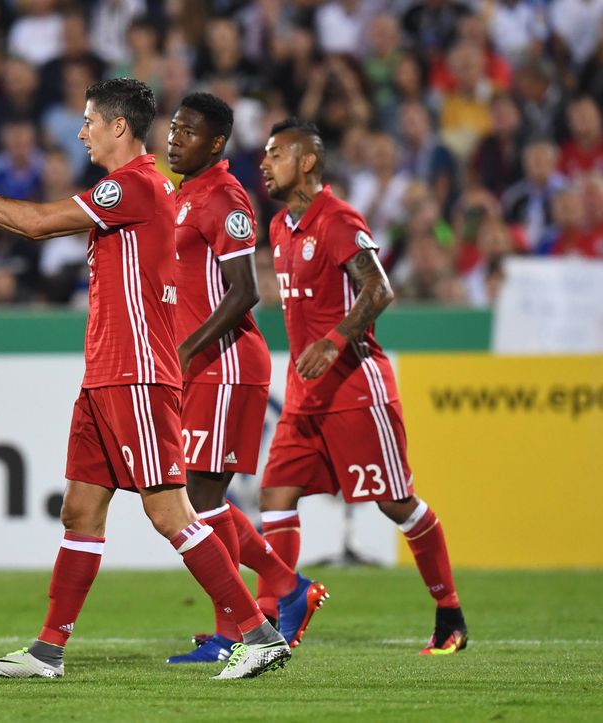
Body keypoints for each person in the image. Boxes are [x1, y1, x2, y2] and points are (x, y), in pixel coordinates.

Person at [0, 78, 290, 680]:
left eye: (88, 122)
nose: (81, 132)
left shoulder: (134, 185)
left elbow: (37, 223)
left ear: (118, 127)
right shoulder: (137, 189)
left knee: (171, 514)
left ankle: (259, 635)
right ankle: (47, 651)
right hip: (105, 376)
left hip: (137, 374)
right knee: (80, 511)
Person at [257, 118, 468, 655]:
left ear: (307, 161)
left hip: (356, 388)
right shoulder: (280, 226)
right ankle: (271, 618)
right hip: (304, 394)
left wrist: (333, 341)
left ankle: (449, 613)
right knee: (276, 495)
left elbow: (379, 288)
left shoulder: (337, 218)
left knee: (395, 503)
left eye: (276, 154)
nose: (264, 163)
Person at [164, 92, 323, 664]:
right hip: (197, 365)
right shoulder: (182, 195)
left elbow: (245, 291)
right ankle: (286, 587)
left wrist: (187, 348)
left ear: (215, 143)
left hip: (224, 364)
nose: (174, 139)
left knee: (199, 498)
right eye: (173, 128)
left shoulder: (226, 197)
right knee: (194, 496)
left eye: (188, 132)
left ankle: (237, 630)